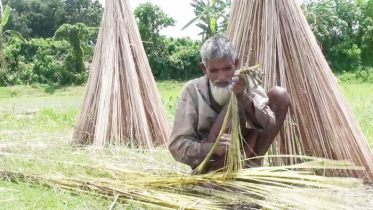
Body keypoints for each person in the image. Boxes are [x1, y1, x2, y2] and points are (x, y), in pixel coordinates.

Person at [168, 36, 290, 173]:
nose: (222, 77)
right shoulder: (192, 90)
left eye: (227, 69)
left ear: (236, 64)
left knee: (279, 95)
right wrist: (212, 148)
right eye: (214, 71)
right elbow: (177, 146)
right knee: (229, 111)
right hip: (212, 161)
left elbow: (269, 124)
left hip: (246, 152)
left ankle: (252, 164)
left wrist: (242, 97)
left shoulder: (246, 83)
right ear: (204, 68)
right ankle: (216, 174)